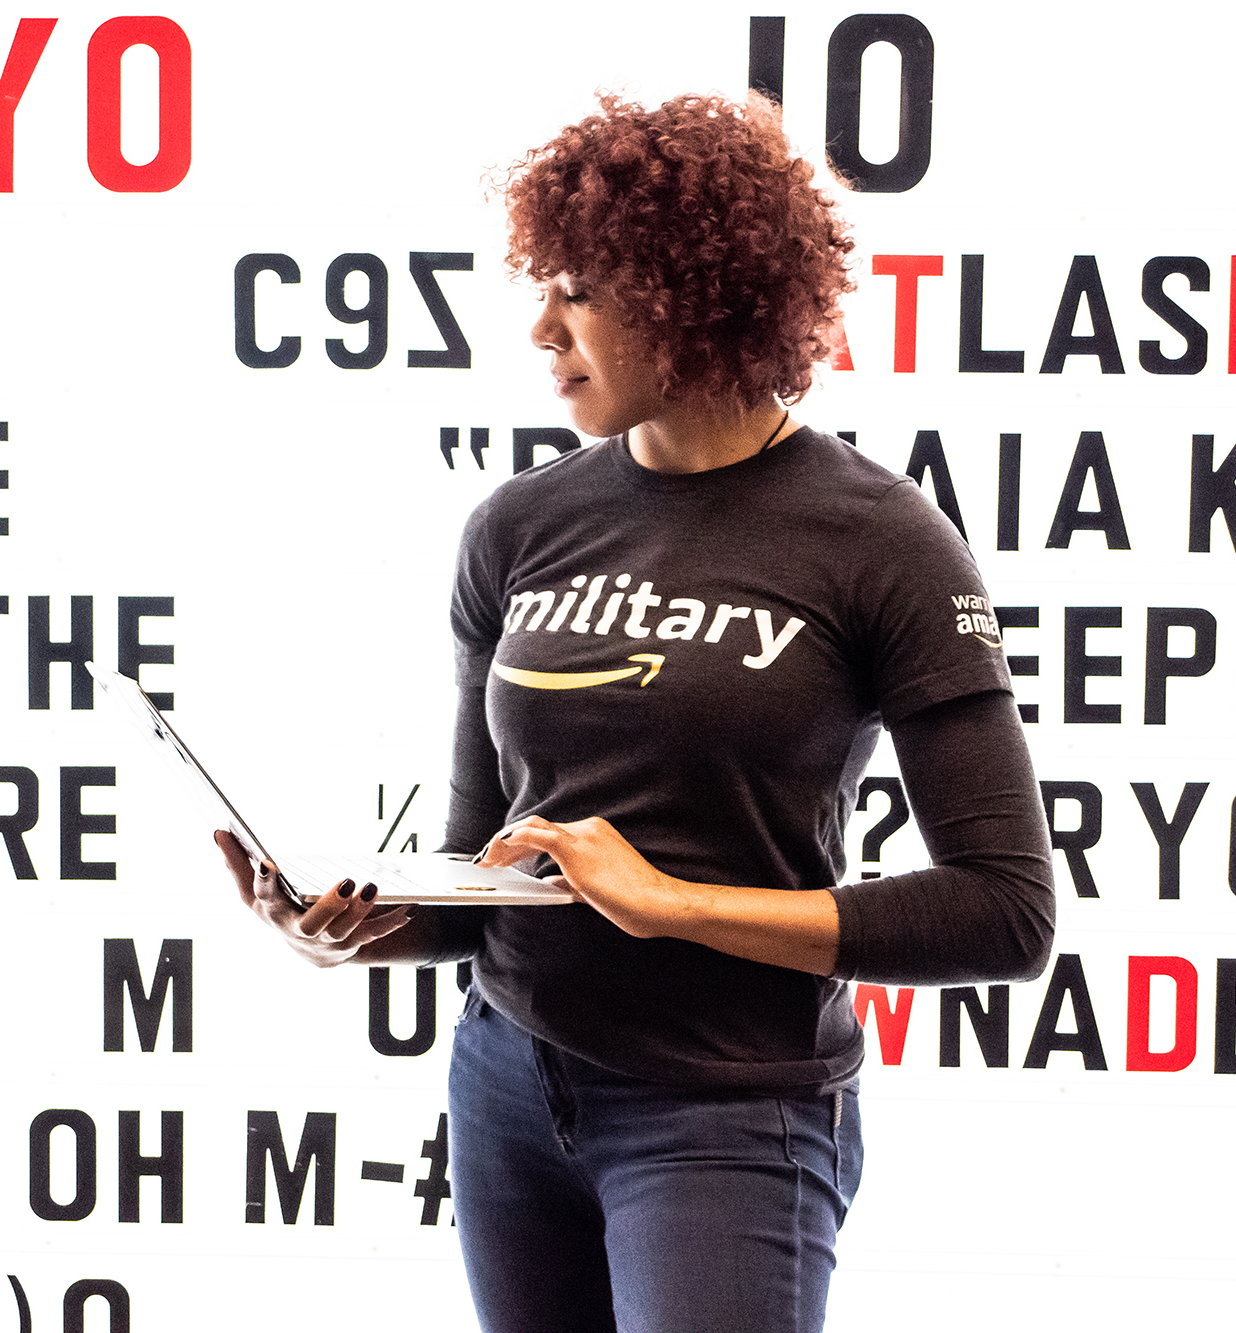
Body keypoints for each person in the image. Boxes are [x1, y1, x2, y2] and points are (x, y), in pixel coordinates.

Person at [215, 91, 1054, 1333]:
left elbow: (1003, 909)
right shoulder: (515, 528)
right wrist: (362, 927)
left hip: (724, 1113)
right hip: (506, 1085)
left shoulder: (881, 541)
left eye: (581, 294)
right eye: (540, 290)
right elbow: (480, 862)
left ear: (696, 298)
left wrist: (671, 906)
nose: (543, 331)